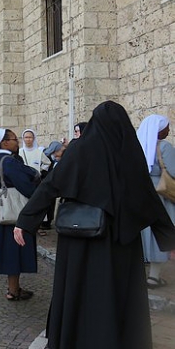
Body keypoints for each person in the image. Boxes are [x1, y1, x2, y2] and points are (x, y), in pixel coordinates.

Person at [14, 101, 175, 349]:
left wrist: (25, 221)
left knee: (78, 291)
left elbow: (50, 186)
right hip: (119, 242)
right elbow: (148, 199)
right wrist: (168, 239)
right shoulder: (129, 153)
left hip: (79, 238)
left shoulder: (80, 149)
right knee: (116, 296)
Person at [0, 128, 38, 301]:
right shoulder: (8, 161)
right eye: (14, 139)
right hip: (12, 210)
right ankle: (13, 290)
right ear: (4, 143)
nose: (17, 142)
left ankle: (14, 287)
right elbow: (25, 185)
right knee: (14, 250)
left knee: (8, 250)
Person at [137, 115, 175, 288]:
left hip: (141, 193)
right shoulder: (164, 147)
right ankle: (153, 276)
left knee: (145, 233)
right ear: (159, 130)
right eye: (167, 127)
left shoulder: (138, 146)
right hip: (160, 194)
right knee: (159, 233)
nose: (168, 130)